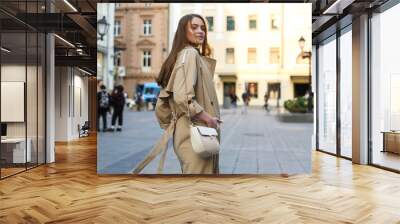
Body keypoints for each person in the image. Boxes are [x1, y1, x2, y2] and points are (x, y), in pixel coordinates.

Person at [134, 14, 221, 174]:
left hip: (194, 133)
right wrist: (208, 118)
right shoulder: (189, 54)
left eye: (202, 28)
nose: (200, 31)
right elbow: (183, 96)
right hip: (196, 134)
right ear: (183, 31)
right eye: (194, 27)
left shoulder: (186, 55)